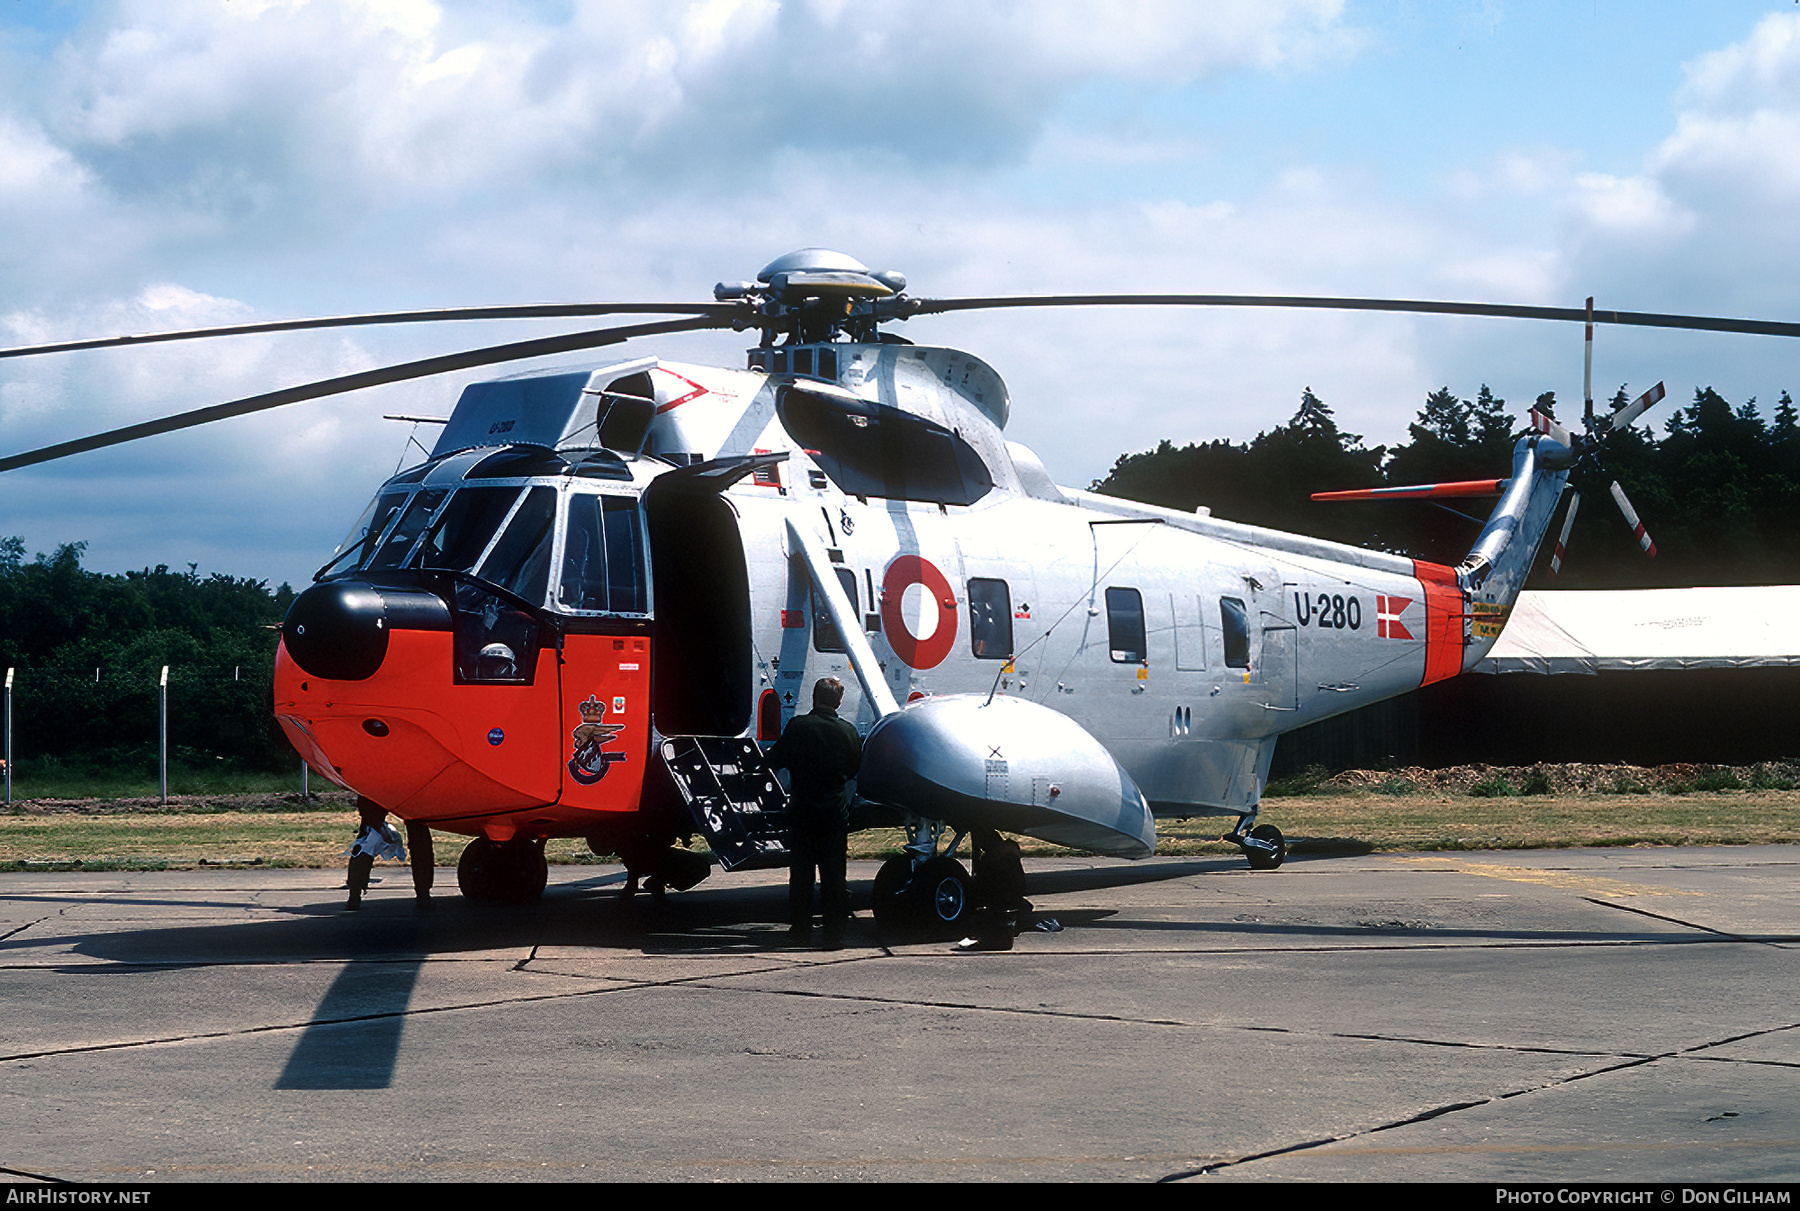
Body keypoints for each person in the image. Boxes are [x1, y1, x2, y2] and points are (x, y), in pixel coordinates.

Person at [764, 677, 862, 948]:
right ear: (839, 701)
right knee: (834, 876)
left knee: (802, 874)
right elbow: (854, 768)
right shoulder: (848, 731)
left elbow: (774, 760)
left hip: (803, 811)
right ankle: (833, 933)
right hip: (834, 812)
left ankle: (801, 928)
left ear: (814, 698)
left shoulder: (799, 727)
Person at [343, 796, 406, 910]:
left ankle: (355, 894)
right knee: (361, 858)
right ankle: (355, 893)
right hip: (372, 827)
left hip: (374, 827)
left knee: (360, 859)